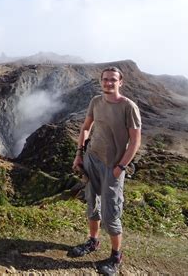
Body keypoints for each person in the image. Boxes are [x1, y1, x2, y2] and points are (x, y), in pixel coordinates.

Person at [71, 66, 141, 275]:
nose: (108, 83)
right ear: (101, 81)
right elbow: (85, 128)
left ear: (121, 82)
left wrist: (121, 167)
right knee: (92, 203)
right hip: (92, 159)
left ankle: (116, 256)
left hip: (113, 166)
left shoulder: (129, 107)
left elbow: (136, 141)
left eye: (113, 80)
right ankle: (93, 241)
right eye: (105, 80)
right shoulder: (96, 102)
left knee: (111, 213)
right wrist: (79, 154)